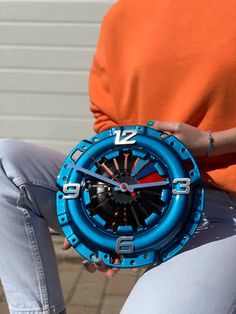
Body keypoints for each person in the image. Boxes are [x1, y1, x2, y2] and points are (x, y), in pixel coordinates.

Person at [0, 0, 235, 313]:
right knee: (6, 162)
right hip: (141, 195)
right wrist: (97, 214)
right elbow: (109, 121)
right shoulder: (124, 14)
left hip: (221, 207)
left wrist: (212, 143)